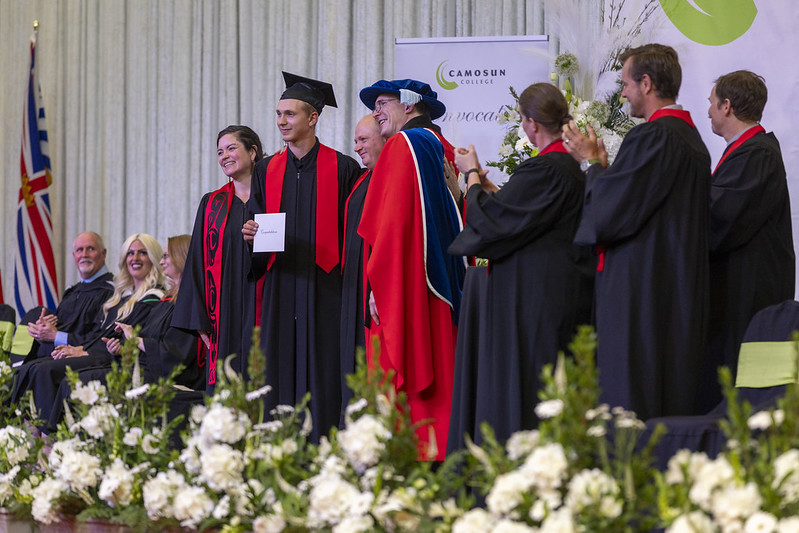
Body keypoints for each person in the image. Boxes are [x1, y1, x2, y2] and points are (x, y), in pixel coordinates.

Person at [562, 43, 711, 420]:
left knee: (633, 400)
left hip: (642, 291)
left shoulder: (653, 137)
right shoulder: (692, 140)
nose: (624, 92)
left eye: (627, 83)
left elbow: (613, 212)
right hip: (675, 288)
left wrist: (591, 165)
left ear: (646, 83)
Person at [447, 83, 593, 451]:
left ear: (530, 124)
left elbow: (495, 222)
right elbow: (520, 213)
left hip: (536, 298)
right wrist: (483, 179)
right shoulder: (568, 166)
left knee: (530, 387)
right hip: (558, 291)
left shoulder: (546, 167)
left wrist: (470, 175)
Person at [243, 72, 361, 441]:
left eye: (290, 114)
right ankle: (281, 444)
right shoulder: (266, 169)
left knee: (324, 367)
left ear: (313, 118)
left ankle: (326, 443)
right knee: (280, 369)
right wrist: (251, 236)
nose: (281, 121)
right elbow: (259, 221)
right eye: (279, 114)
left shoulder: (343, 168)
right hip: (282, 283)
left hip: (327, 287)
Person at [357, 78, 466, 459]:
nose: (376, 111)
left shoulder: (405, 144)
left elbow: (393, 223)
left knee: (406, 380)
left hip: (410, 282)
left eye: (383, 103)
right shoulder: (440, 144)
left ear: (409, 104)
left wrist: (378, 284)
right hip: (443, 281)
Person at [701, 70, 794, 410]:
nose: (708, 111)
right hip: (743, 290)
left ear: (727, 105)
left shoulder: (757, 154)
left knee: (748, 397)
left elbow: (721, 217)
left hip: (750, 295)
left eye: (711, 103)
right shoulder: (750, 151)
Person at [46, 234, 203, 431]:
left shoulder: (187, 302)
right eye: (161, 256)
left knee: (77, 380)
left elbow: (176, 354)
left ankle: (67, 442)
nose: (162, 261)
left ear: (181, 257)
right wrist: (123, 348)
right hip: (141, 367)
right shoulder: (168, 300)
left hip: (162, 375)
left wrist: (135, 341)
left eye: (166, 256)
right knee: (74, 377)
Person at [11, 234, 166, 423]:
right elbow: (101, 334)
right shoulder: (121, 298)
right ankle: (27, 438)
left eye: (143, 253)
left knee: (45, 371)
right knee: (31, 368)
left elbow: (123, 339)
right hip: (97, 353)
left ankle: (46, 441)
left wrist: (82, 350)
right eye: (131, 253)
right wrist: (52, 331)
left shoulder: (151, 298)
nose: (135, 258)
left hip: (114, 360)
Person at [172, 125, 263, 394]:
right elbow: (197, 264)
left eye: (231, 148)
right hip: (224, 311)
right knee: (228, 381)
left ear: (253, 151)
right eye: (220, 152)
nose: (224, 156)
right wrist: (200, 322)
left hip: (266, 305)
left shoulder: (274, 197)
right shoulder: (212, 204)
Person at [339, 114, 386, 418]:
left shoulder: (390, 177)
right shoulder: (361, 180)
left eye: (363, 139)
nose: (356, 147)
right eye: (356, 140)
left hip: (375, 290)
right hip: (352, 289)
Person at [12, 232, 114, 364]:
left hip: (82, 362)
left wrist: (56, 336)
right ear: (74, 256)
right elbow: (59, 330)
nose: (84, 255)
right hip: (54, 358)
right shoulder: (72, 292)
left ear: (103, 253)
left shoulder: (111, 292)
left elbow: (99, 339)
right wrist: (43, 330)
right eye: (79, 250)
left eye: (91, 249)